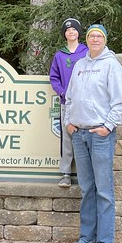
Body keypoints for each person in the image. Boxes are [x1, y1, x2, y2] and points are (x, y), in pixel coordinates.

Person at [64, 23, 122, 243]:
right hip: (79, 134)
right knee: (87, 188)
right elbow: (69, 97)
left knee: (103, 190)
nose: (95, 39)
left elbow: (120, 102)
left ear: (105, 40)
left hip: (100, 135)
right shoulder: (80, 65)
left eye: (99, 36)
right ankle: (86, 238)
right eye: (91, 36)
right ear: (86, 40)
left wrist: (107, 127)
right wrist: (69, 122)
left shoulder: (111, 65)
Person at [49, 17, 88, 188]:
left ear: (79, 32)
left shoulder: (86, 52)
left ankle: (84, 174)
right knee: (67, 137)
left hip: (84, 103)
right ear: (64, 34)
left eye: (74, 29)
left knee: (85, 136)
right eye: (67, 30)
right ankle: (65, 173)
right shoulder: (59, 55)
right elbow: (54, 78)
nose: (71, 32)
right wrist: (62, 92)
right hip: (66, 103)